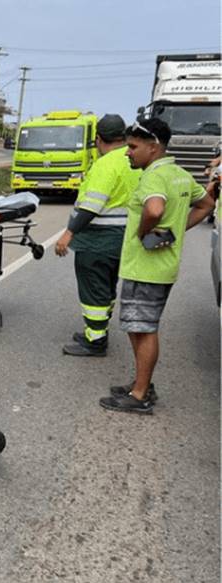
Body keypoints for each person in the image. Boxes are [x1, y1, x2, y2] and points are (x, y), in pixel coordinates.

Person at [99, 118, 217, 414]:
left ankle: (139, 396)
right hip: (161, 266)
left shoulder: (154, 176)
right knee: (139, 327)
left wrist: (142, 232)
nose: (128, 152)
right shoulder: (179, 174)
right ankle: (142, 383)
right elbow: (207, 204)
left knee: (144, 329)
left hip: (145, 267)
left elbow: (154, 209)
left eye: (132, 147)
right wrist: (178, 228)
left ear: (153, 148)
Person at [55, 115, 142, 357]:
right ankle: (98, 330)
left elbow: (91, 206)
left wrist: (68, 233)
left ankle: (95, 341)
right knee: (106, 287)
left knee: (93, 288)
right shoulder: (134, 161)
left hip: (98, 240)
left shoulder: (106, 164)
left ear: (98, 139)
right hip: (123, 238)